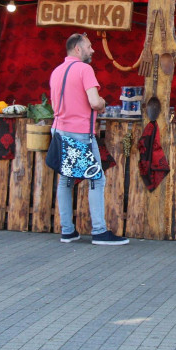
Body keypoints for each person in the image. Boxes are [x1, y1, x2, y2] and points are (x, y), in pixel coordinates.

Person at [50, 33, 129, 245]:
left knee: (66, 180)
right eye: (89, 46)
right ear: (78, 49)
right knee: (97, 179)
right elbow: (94, 102)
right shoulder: (85, 69)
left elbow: (54, 105)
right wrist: (102, 102)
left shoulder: (56, 71)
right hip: (80, 133)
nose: (92, 50)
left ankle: (67, 231)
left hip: (59, 131)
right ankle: (99, 231)